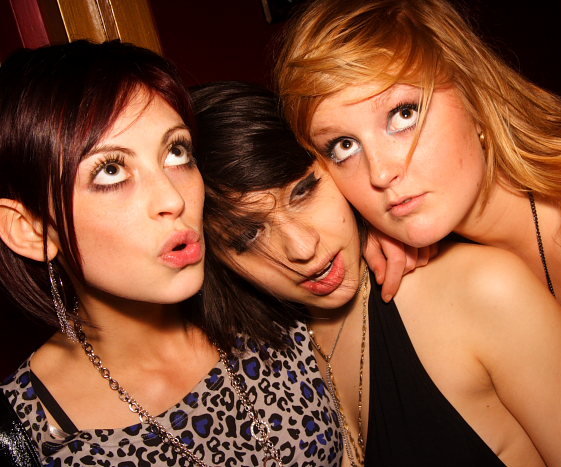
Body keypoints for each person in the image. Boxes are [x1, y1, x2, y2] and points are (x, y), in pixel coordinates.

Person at [274, 0, 561, 462]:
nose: (380, 173)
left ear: (476, 97)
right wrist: (361, 232)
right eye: (344, 145)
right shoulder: (441, 241)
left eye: (403, 114)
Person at [192, 80, 561, 467]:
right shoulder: (262, 363)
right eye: (248, 236)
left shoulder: (484, 291)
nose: (302, 249)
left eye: (304, 191)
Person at [0, 40, 341, 467]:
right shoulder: (23, 433)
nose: (172, 198)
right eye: (111, 170)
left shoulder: (273, 301)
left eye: (176, 152)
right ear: (31, 230)